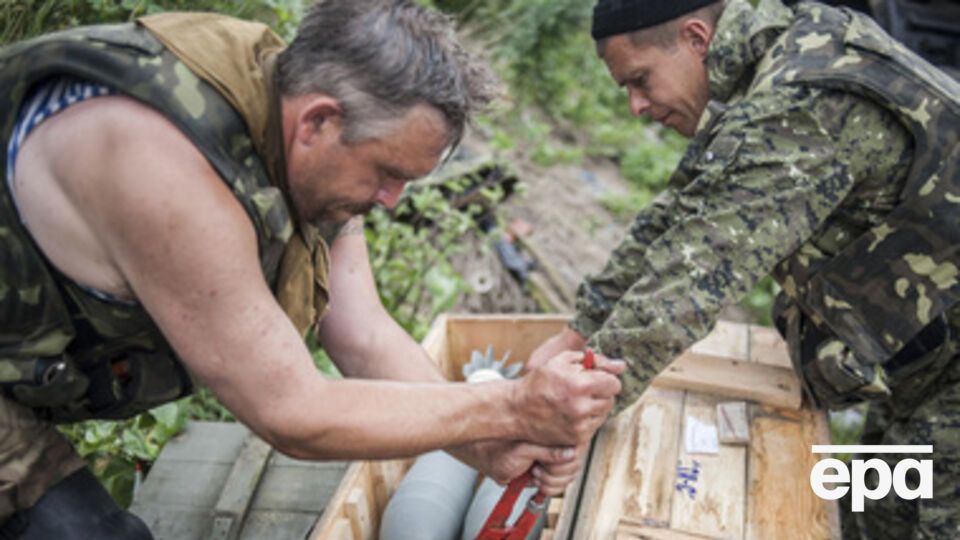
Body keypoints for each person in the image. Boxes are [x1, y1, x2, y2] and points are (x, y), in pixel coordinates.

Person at [0, 1, 625, 537]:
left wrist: (490, 447)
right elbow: (291, 412)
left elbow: (361, 334)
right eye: (387, 174)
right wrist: (511, 409)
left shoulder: (302, 125)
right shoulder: (161, 163)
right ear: (319, 122)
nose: (393, 201)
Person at [529, 0, 960, 537]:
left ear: (695, 39)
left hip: (947, 389)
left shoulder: (803, 100)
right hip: (918, 373)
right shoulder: (771, 64)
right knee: (873, 514)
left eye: (640, 80)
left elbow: (698, 272)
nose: (637, 106)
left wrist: (564, 410)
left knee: (923, 523)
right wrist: (578, 334)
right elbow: (681, 213)